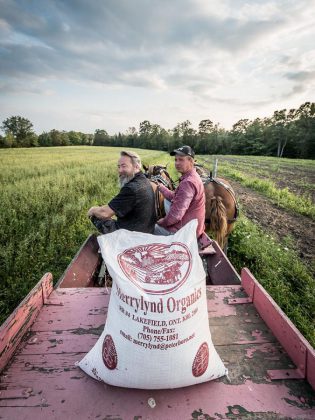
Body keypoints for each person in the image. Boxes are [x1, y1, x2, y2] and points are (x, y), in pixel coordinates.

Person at [88, 151, 156, 234]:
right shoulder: (144, 180)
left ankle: (111, 242)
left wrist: (92, 210)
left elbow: (104, 213)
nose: (120, 170)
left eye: (124, 166)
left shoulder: (131, 188)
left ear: (136, 166)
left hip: (131, 236)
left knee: (96, 215)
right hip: (146, 230)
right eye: (119, 166)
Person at [154, 145, 206, 240]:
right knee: (166, 201)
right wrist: (161, 187)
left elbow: (175, 216)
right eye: (176, 160)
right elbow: (176, 196)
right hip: (193, 227)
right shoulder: (192, 176)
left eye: (181, 160)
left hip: (185, 233)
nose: (177, 163)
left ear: (191, 161)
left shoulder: (188, 183)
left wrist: (161, 222)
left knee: (152, 229)